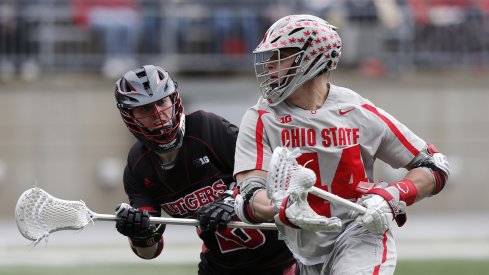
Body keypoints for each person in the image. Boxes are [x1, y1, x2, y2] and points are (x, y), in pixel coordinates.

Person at [232, 14, 450, 275]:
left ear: (312, 58)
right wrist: (282, 206)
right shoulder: (260, 117)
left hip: (361, 233)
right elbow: (248, 194)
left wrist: (392, 196)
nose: (269, 65)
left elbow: (433, 165)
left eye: (281, 54)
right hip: (303, 249)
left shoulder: (356, 110)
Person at [112, 65, 297, 274]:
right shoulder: (138, 166)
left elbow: (271, 177)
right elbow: (151, 251)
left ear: (173, 99)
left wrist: (232, 199)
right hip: (219, 266)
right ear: (130, 115)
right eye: (145, 108)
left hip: (279, 259)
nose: (158, 114)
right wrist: (138, 233)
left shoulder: (207, 128)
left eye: (161, 102)